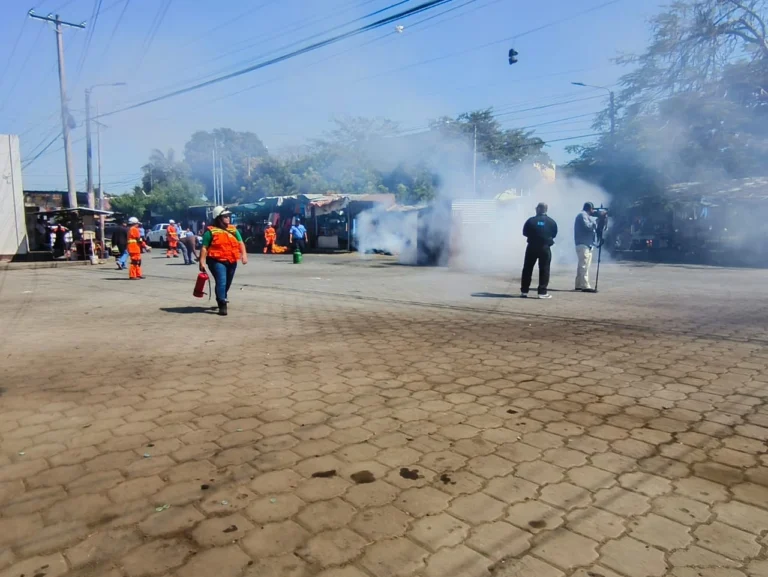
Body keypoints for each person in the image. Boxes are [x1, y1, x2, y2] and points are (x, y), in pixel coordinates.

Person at [199, 206, 248, 316]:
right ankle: (222, 304)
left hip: (231, 260)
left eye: (228, 216)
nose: (228, 218)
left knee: (227, 282)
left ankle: (221, 296)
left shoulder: (233, 230)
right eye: (225, 216)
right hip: (216, 261)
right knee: (221, 281)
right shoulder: (210, 232)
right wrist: (202, 262)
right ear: (218, 218)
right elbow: (204, 248)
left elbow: (240, 243)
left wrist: (244, 255)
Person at [521, 202, 558, 299]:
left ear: (538, 209)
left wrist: (534, 236)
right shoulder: (552, 222)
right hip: (545, 248)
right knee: (544, 269)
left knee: (527, 268)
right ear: (546, 210)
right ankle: (542, 292)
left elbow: (524, 232)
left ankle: (524, 291)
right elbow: (554, 234)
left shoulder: (531, 221)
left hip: (532, 247)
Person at [574, 202, 598, 291]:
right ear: (590, 209)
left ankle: (579, 284)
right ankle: (585, 286)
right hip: (583, 244)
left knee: (582, 265)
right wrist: (596, 222)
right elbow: (587, 227)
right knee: (584, 265)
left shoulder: (586, 216)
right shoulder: (582, 215)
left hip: (587, 244)